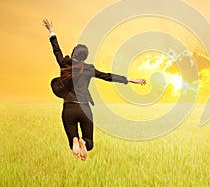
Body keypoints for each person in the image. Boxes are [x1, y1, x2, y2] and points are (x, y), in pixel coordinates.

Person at [42, 19, 146, 161]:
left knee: (71, 137)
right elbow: (108, 76)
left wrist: (51, 31)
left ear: (73, 55)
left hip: (69, 108)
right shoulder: (89, 69)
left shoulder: (65, 64)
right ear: (84, 58)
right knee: (90, 144)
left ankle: (74, 139)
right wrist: (129, 79)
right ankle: (84, 142)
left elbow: (57, 51)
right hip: (85, 109)